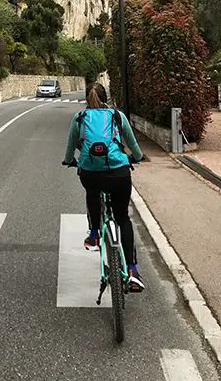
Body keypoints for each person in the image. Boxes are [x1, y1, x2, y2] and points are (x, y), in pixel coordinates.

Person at [62, 84, 145, 292]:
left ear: (86, 99)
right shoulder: (117, 116)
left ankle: (95, 233)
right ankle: (133, 271)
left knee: (92, 192)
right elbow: (133, 144)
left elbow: (70, 147)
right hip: (118, 172)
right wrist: (138, 157)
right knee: (123, 217)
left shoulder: (79, 118)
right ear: (106, 98)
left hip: (90, 172)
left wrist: (69, 161)